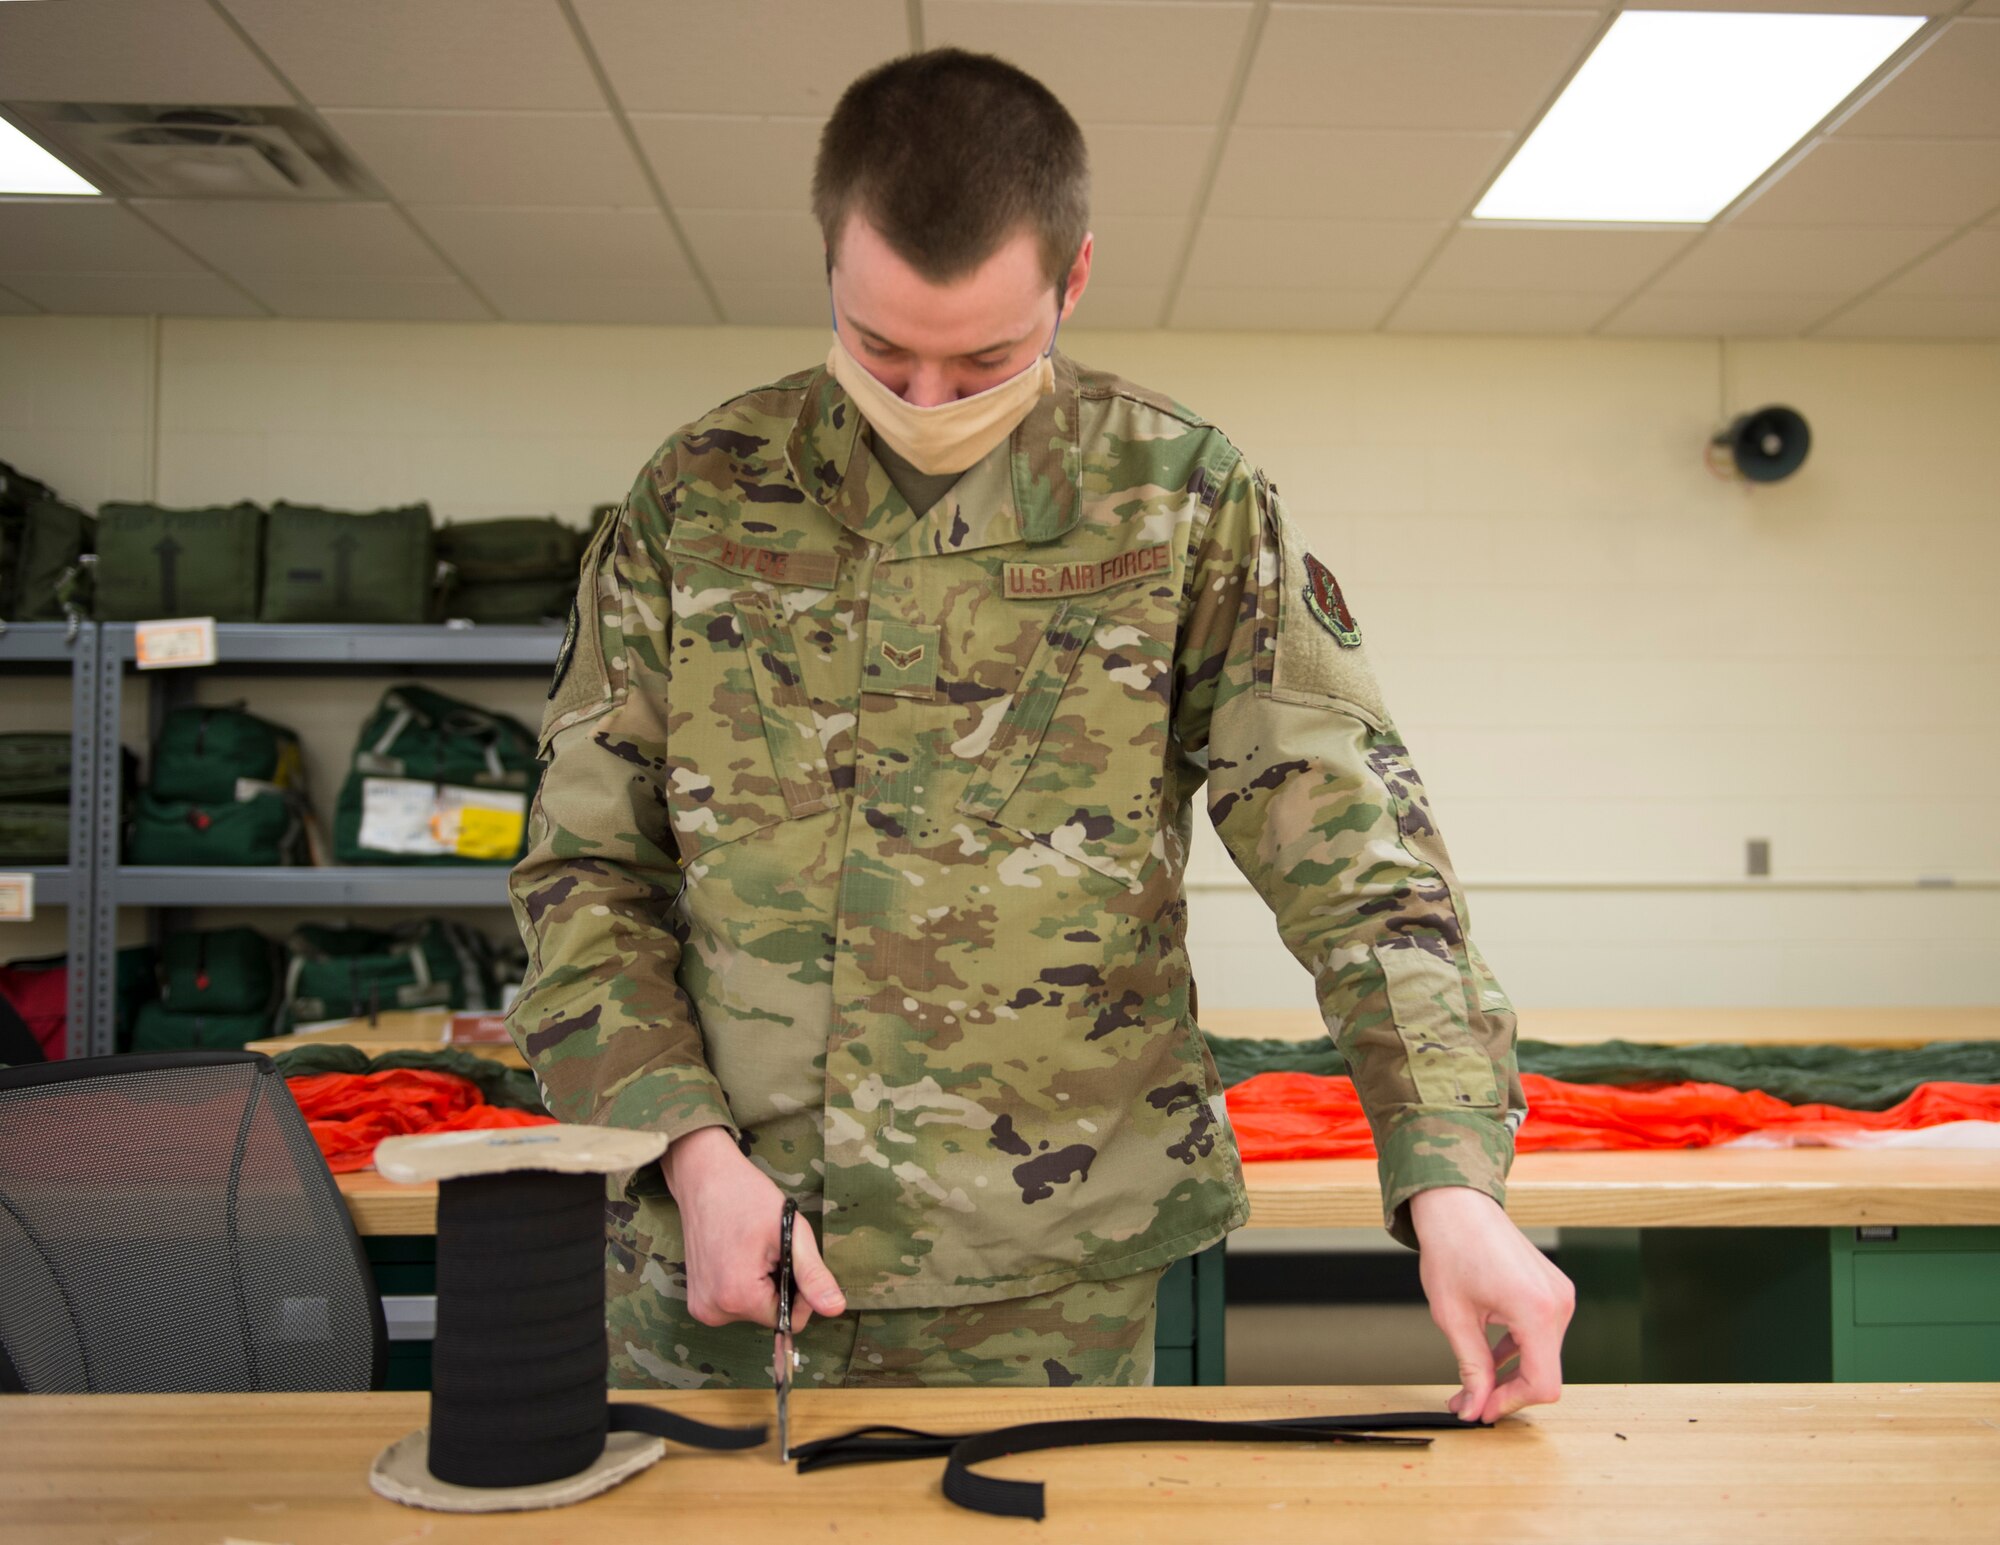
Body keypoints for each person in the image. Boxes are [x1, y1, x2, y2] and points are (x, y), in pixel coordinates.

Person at [506, 47, 1573, 1413]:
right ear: (829, 262)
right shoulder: (698, 497)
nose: (931, 400)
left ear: (1071, 284)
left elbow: (1362, 862)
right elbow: (586, 873)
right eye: (884, 347)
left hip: (1052, 1277)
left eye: (988, 357)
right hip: (716, 1252)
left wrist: (1452, 1177)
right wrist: (689, 1150)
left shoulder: (1180, 499)